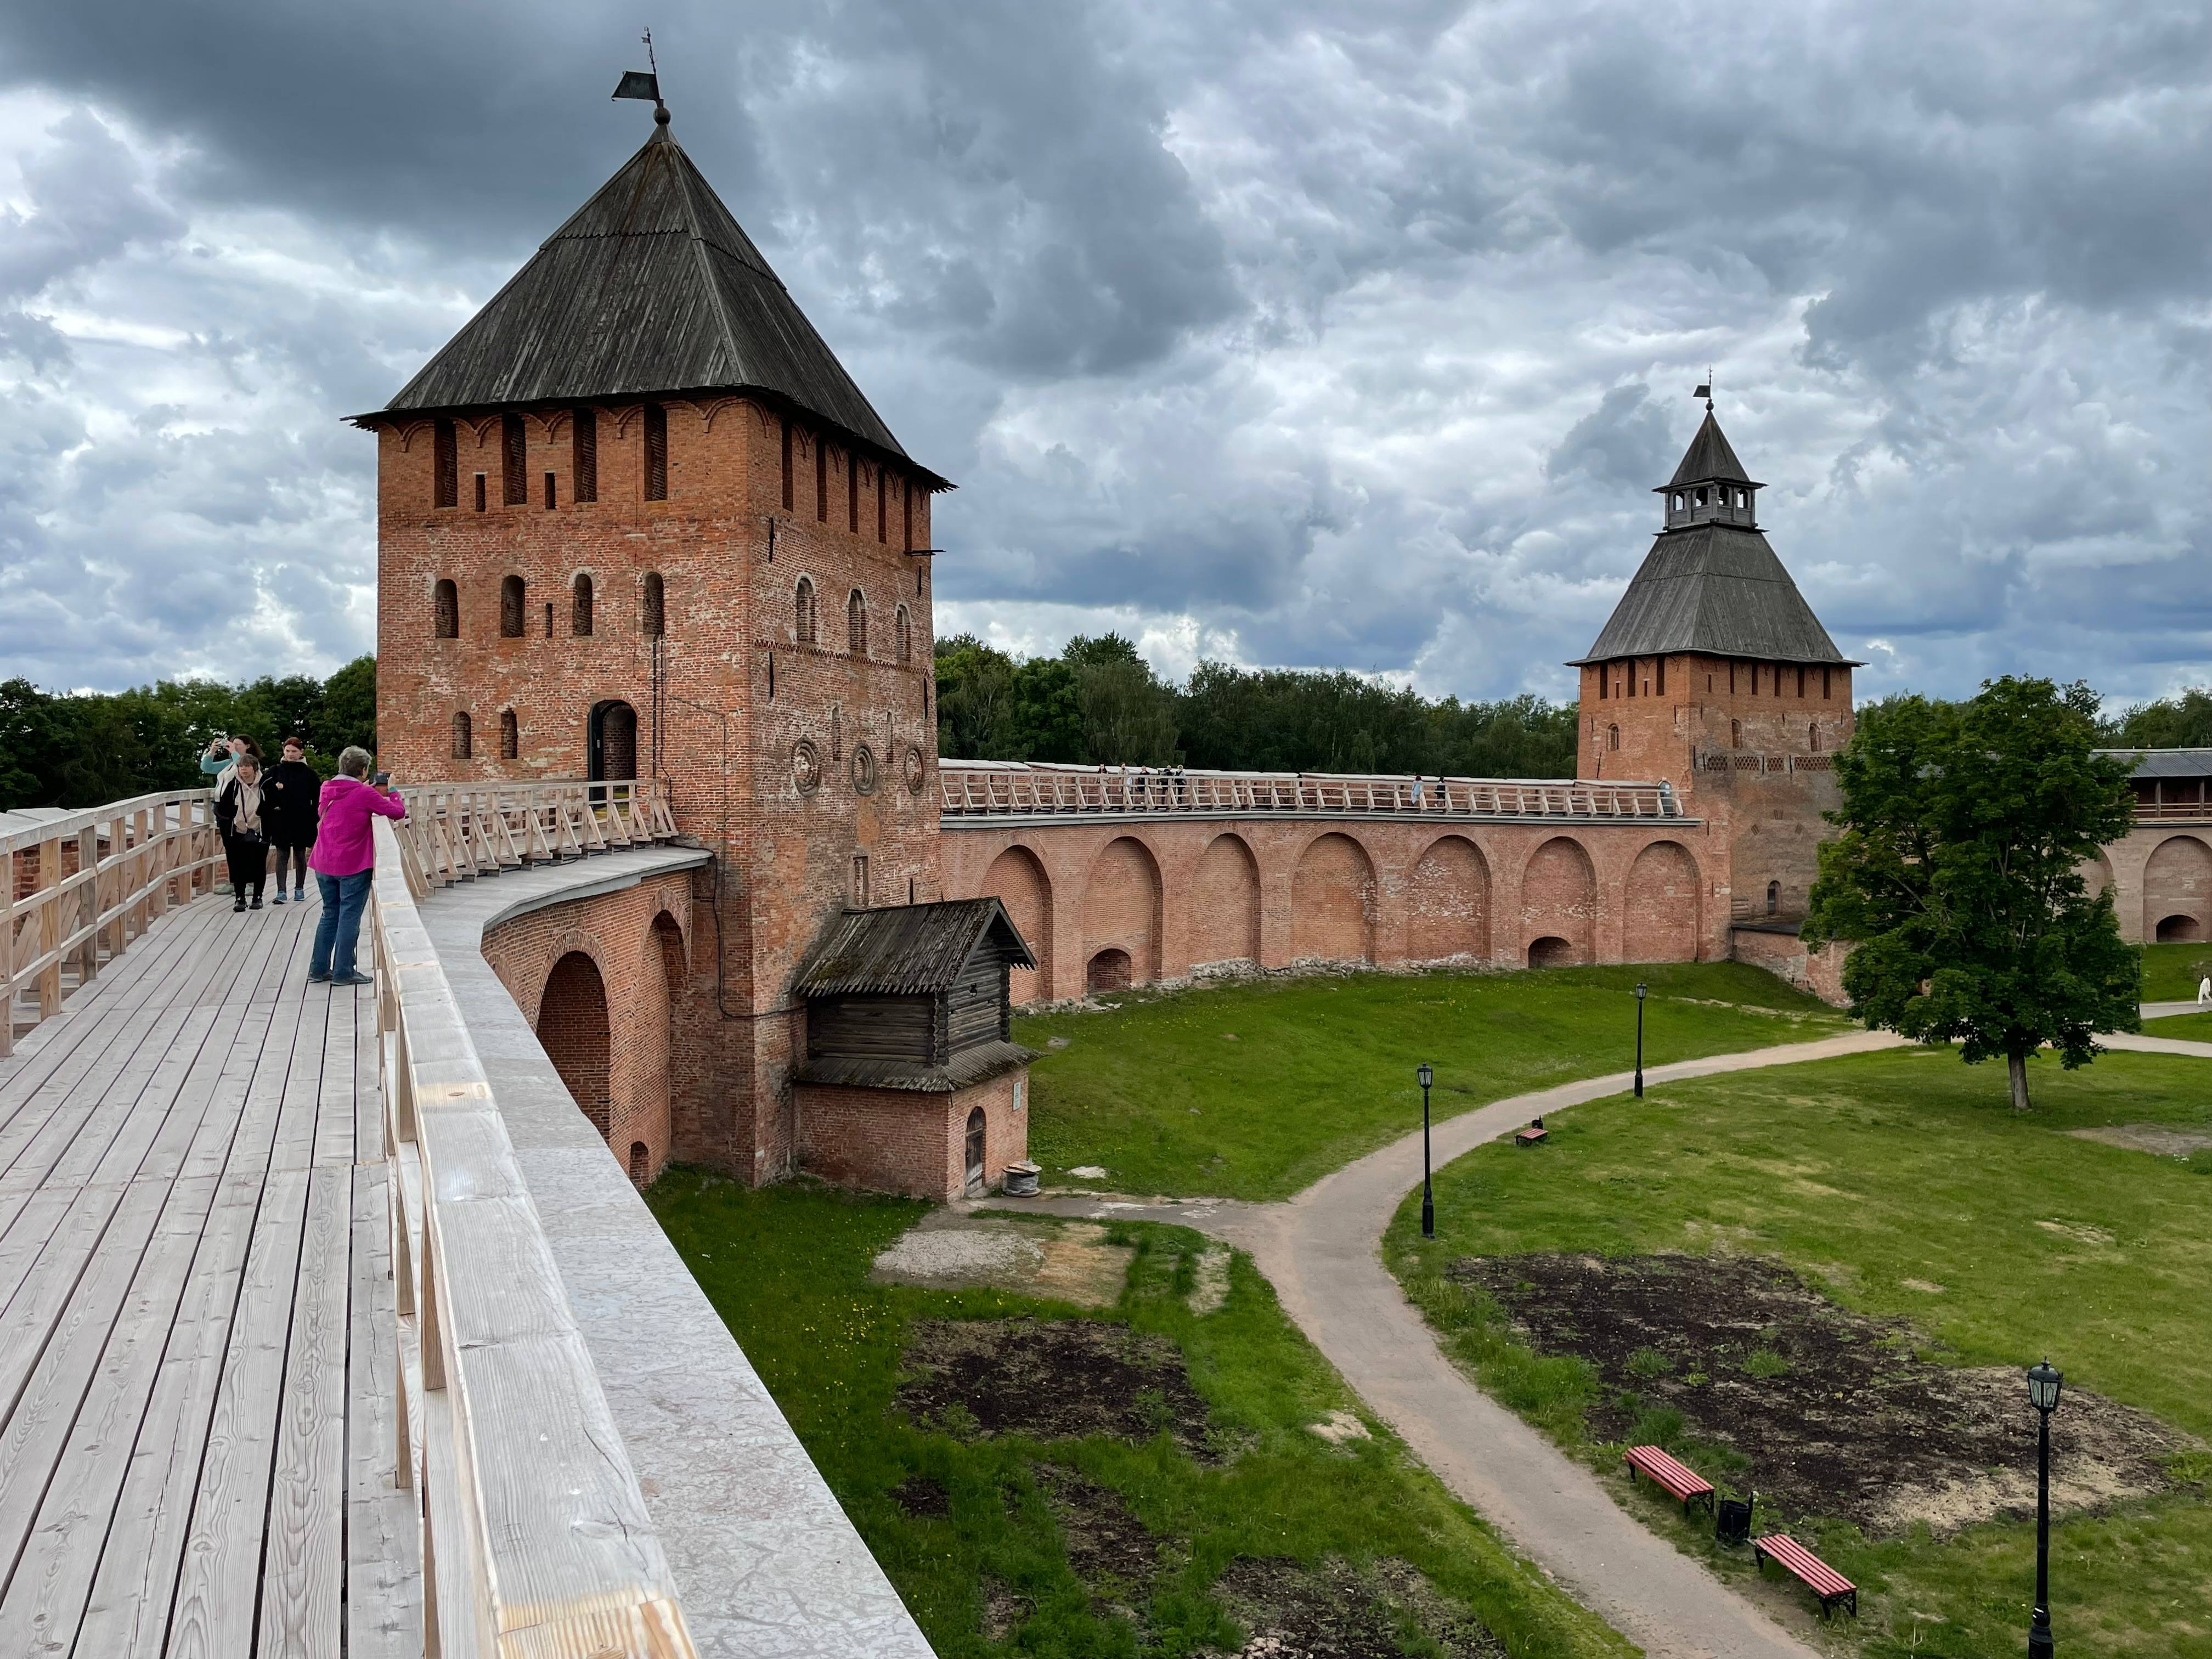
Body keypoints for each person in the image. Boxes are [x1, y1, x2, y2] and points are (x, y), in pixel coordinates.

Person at [309, 747, 405, 986]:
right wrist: (392, 789)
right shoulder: (364, 794)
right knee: (349, 916)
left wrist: (366, 792)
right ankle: (344, 971)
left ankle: (318, 969)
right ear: (363, 771)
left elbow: (338, 807)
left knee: (330, 913)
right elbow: (397, 812)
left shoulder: (327, 788)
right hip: (352, 864)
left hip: (323, 862)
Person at [263, 735, 320, 905]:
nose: (290, 754)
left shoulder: (309, 774)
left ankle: (300, 888)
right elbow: (264, 790)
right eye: (287, 751)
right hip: (281, 818)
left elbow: (317, 796)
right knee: (282, 854)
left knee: (300, 853)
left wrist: (313, 815)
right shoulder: (275, 771)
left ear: (301, 752)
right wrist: (275, 793)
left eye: (294, 751)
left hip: (302, 818)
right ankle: (281, 891)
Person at [213, 752, 269, 911]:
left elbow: (274, 803)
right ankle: (240, 898)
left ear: (255, 768)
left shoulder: (264, 783)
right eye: (240, 766)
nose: (243, 769)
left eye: (247, 766)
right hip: (238, 830)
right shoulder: (233, 784)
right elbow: (222, 807)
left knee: (259, 865)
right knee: (238, 865)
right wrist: (235, 812)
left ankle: (257, 897)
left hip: (259, 829)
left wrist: (263, 813)